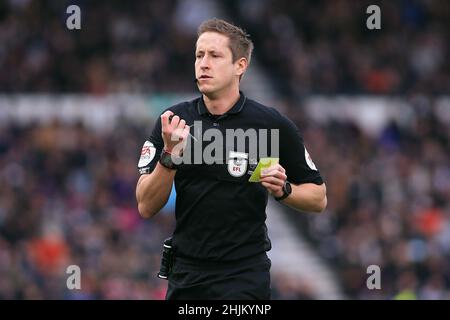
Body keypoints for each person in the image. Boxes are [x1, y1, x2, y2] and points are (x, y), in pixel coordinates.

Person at [135, 18, 327, 300]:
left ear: (240, 66)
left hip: (244, 275)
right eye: (199, 55)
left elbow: (318, 198)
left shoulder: (272, 125)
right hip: (187, 273)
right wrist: (170, 157)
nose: (203, 63)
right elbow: (145, 206)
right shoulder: (172, 122)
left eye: (214, 55)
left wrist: (284, 190)